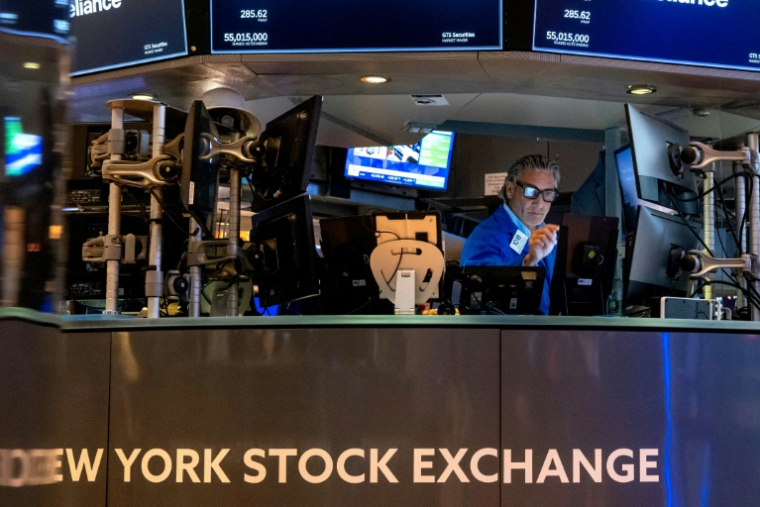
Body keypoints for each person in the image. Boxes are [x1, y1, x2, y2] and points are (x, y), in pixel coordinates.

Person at [460, 154, 560, 315]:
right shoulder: (484, 237)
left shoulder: (551, 237)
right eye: (531, 191)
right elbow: (483, 301)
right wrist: (529, 263)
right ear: (510, 189)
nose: (540, 203)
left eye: (548, 193)